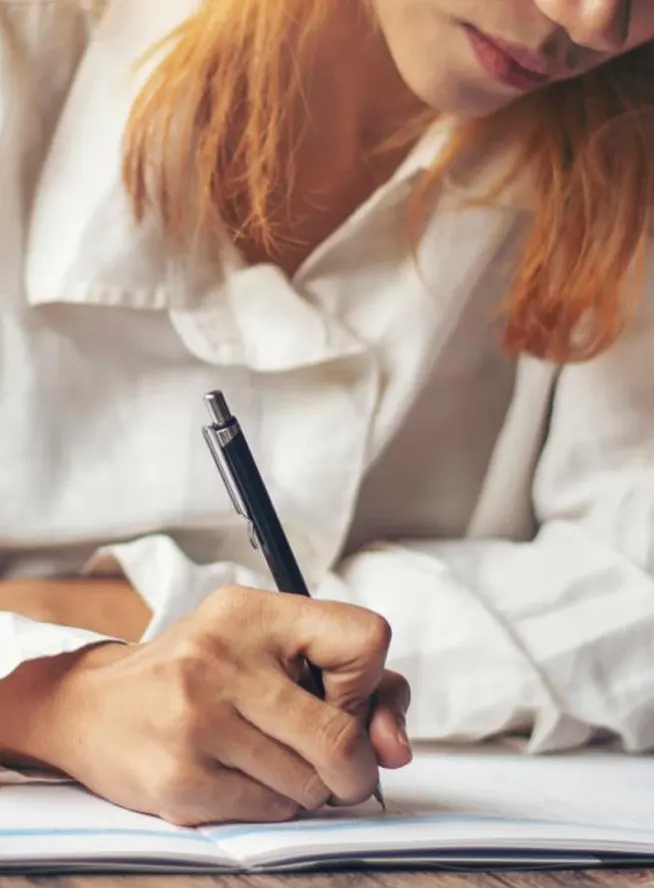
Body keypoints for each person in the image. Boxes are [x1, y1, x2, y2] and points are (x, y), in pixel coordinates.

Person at [0, 0, 653, 827]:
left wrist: (123, 613)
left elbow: (640, 594)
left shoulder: (632, 141)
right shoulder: (22, 60)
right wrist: (50, 699)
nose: (594, 22)